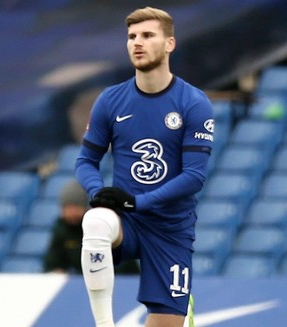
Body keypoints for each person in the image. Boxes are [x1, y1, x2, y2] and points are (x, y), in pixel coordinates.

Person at [75, 7, 213, 327]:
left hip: (170, 229)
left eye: (148, 35)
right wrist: (99, 193)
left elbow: (194, 176)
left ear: (170, 44)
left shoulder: (193, 102)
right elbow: (85, 161)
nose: (137, 42)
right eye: (132, 37)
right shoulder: (110, 100)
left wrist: (138, 201)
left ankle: (181, 309)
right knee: (95, 220)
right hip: (127, 222)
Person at [43, 179, 139, 275]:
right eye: (67, 207)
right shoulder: (61, 228)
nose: (71, 212)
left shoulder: (100, 224)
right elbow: (52, 262)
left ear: (84, 207)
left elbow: (123, 261)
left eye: (75, 206)